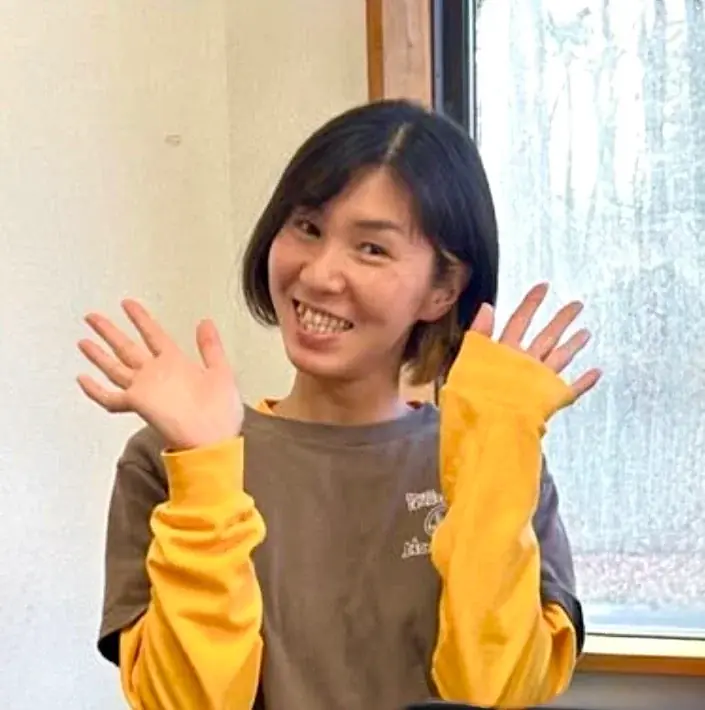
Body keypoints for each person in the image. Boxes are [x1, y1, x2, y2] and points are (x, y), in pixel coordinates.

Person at [77, 100, 600, 710]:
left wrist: (496, 449)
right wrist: (205, 470)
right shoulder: (173, 458)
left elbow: (493, 693)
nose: (320, 274)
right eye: (307, 227)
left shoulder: (500, 458)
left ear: (442, 290)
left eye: (372, 249)